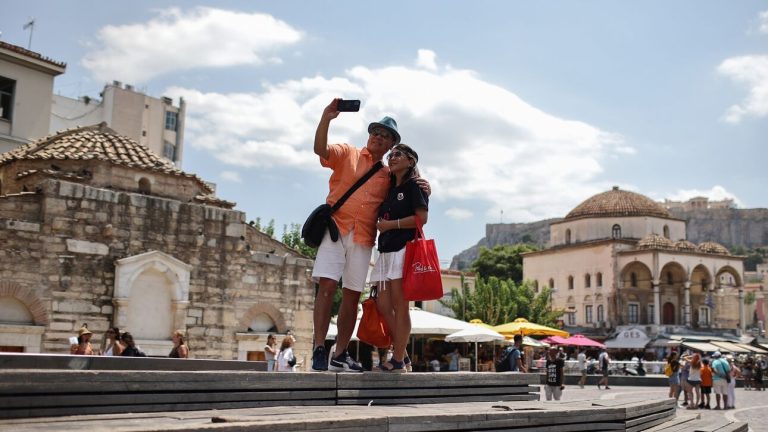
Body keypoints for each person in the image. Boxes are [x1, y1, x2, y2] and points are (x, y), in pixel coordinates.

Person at [309, 99, 429, 373]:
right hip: (336, 229)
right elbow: (320, 149)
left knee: (352, 296)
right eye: (375, 132)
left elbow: (408, 183)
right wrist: (326, 118)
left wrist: (424, 183)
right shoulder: (347, 153)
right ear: (369, 136)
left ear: (390, 147)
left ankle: (339, 353)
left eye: (385, 136)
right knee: (326, 287)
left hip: (363, 239)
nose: (378, 137)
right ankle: (318, 347)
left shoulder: (388, 174)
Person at [370, 143, 429, 373]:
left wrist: (389, 225)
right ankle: (402, 356)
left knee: (400, 306)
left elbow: (421, 219)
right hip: (385, 252)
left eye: (398, 154)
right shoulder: (389, 188)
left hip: (404, 250)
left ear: (410, 161)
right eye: (390, 155)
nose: (392, 157)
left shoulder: (415, 185)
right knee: (383, 304)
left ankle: (397, 360)